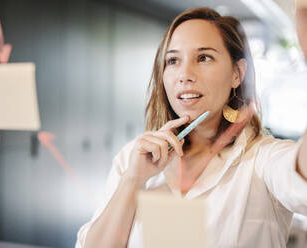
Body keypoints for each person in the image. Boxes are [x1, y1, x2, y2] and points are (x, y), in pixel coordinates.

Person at [76, 7, 307, 248]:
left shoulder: (262, 159)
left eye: (204, 57)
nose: (184, 74)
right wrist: (132, 180)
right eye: (173, 60)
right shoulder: (132, 158)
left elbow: (301, 178)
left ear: (237, 74)